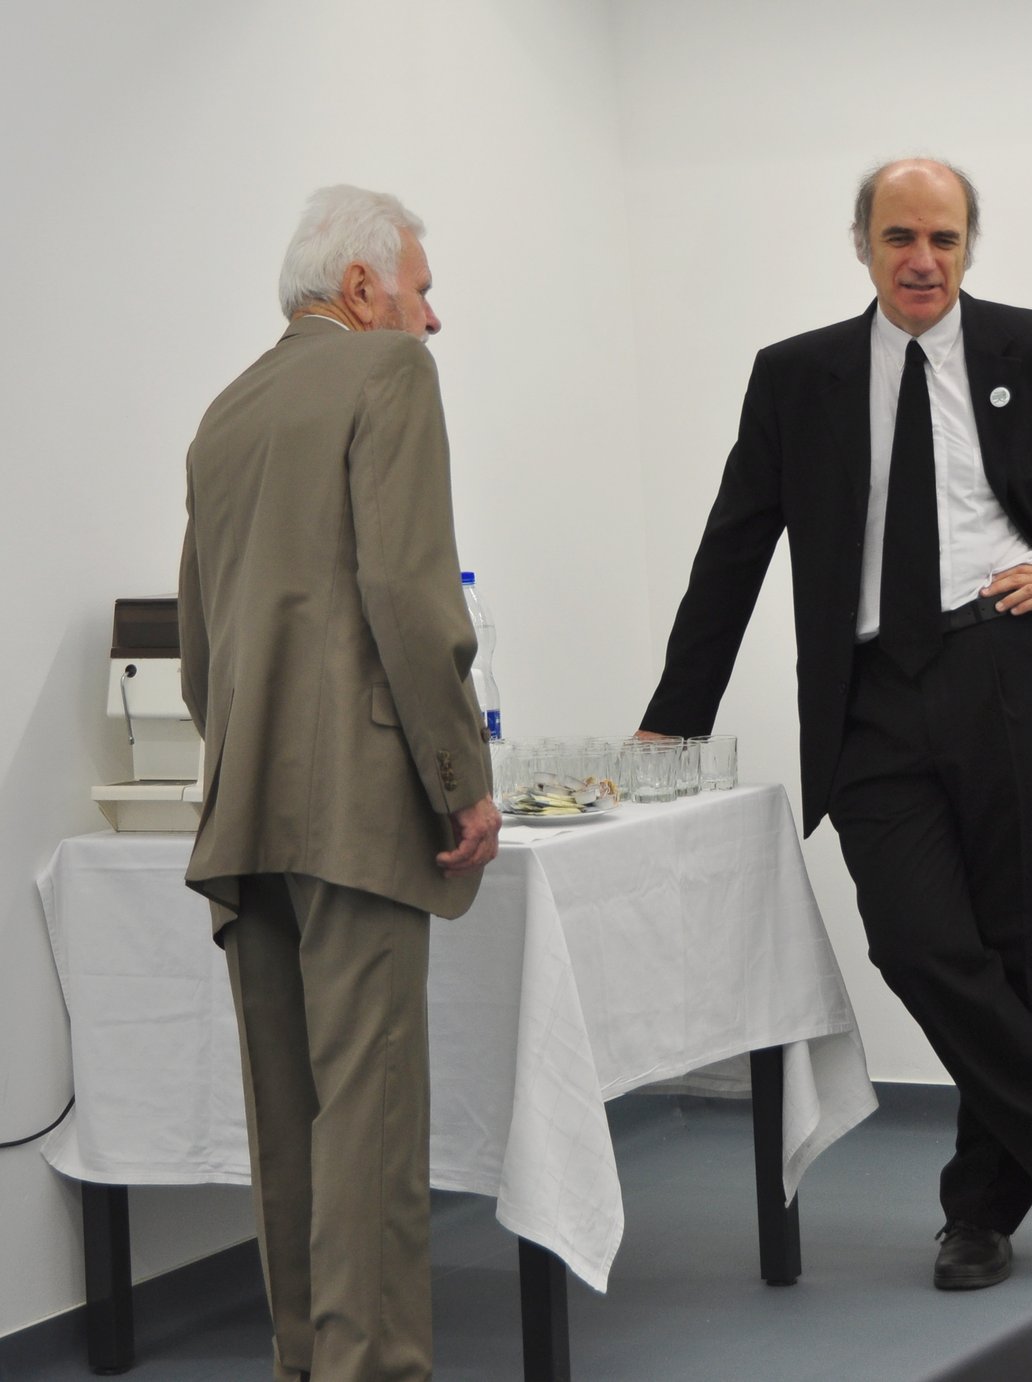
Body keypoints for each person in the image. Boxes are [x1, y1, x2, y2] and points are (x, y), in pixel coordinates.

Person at [640, 158, 1032, 1288]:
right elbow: (734, 547)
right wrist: (673, 718)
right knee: (914, 940)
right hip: (869, 695)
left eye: (943, 239)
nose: (922, 260)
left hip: (1010, 665)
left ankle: (979, 1215)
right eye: (899, 237)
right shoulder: (796, 376)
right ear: (861, 243)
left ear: (968, 246)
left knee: (1021, 948)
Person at [178, 184, 501, 1381]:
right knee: (369, 1117)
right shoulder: (390, 372)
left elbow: (199, 652)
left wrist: (253, 754)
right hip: (359, 806)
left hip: (243, 807)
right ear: (363, 289)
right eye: (422, 289)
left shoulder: (226, 410)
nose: (433, 318)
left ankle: (306, 1361)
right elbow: (411, 594)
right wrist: (459, 777)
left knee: (290, 1119)